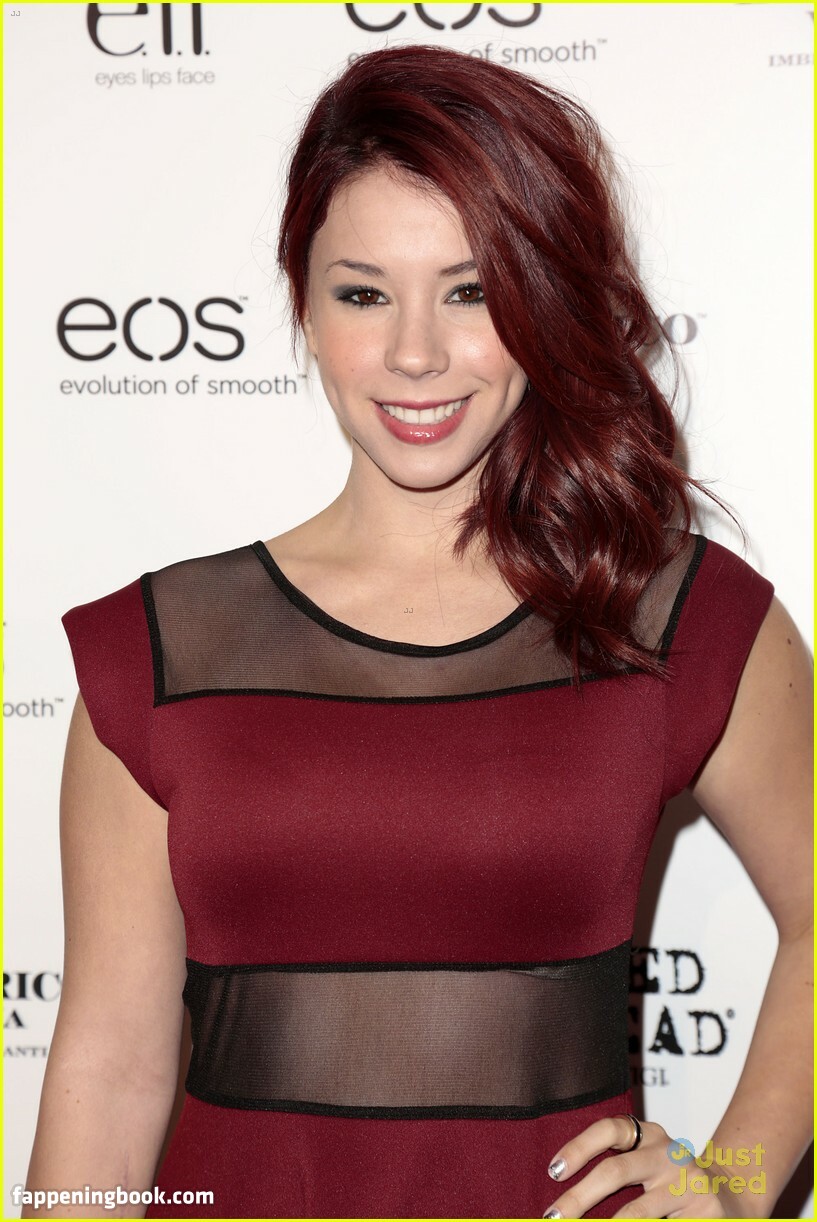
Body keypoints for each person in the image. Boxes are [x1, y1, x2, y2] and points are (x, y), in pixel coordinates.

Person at [23, 44, 811, 1221]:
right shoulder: (158, 655)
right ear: (303, 306)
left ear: (540, 300)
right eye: (363, 294)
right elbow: (109, 1067)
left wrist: (736, 1182)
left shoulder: (681, 620)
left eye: (470, 291)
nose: (414, 354)